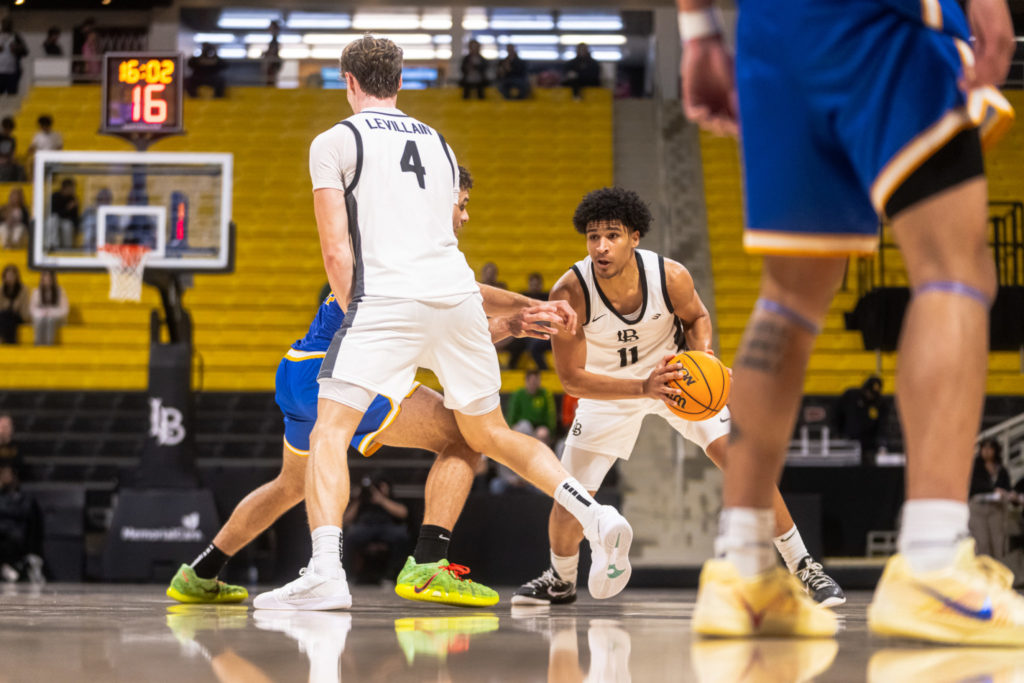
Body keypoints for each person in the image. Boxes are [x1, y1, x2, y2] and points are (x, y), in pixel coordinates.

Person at [680, 0, 1023, 643]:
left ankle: (742, 569)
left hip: (772, 33)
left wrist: (697, 27)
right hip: (883, 23)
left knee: (788, 296)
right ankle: (932, 563)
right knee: (955, 271)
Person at [254, 36, 633, 611]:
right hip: (453, 297)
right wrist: (517, 310)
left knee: (331, 428)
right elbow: (442, 243)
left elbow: (337, 251)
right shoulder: (439, 143)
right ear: (400, 82)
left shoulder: (334, 141)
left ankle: (326, 572)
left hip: (386, 298)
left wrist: (358, 311)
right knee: (490, 435)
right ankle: (596, 513)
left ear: (347, 81)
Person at [167, 166, 569, 607]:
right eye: (464, 204)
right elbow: (454, 325)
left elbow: (465, 302)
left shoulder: (392, 239)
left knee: (291, 484)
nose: (466, 216)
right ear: (439, 199)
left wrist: (528, 308)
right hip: (340, 369)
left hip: (299, 367)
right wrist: (522, 313)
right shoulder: (418, 250)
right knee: (465, 436)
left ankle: (200, 572)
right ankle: (427, 564)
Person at [511, 187, 843, 607]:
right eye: (593, 237)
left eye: (612, 235)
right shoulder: (570, 292)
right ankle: (560, 580)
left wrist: (703, 359)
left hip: (675, 377)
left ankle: (804, 567)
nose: (601, 246)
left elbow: (698, 316)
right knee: (569, 492)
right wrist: (641, 387)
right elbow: (572, 379)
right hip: (608, 388)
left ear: (635, 237)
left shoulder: (670, 277)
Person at [343, 474, 409, 581]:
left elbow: (403, 513)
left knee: (401, 536)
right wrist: (359, 498)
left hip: (386, 527)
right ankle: (348, 576)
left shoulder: (392, 498)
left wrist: (381, 499)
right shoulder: (362, 500)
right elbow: (346, 520)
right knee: (350, 536)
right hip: (365, 527)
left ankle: (393, 576)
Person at [968, 438, 1016, 560]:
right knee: (981, 541)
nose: (987, 451)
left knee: (998, 541)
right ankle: (984, 573)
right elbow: (973, 485)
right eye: (984, 448)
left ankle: (997, 572)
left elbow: (1007, 487)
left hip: (996, 508)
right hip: (979, 507)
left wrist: (1009, 494)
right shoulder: (975, 467)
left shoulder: (1001, 469)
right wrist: (992, 490)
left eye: (990, 448)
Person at [0, 461, 44, 584]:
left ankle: (21, 565)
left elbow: (23, 513)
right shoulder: (2, 496)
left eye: (5, 474)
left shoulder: (25, 498)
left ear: (14, 476)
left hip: (14, 537)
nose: (2, 476)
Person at [833, 375, 887, 465]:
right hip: (849, 442)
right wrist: (837, 432)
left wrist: (882, 444)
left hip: (868, 445)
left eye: (873, 394)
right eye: (869, 392)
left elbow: (881, 426)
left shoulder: (880, 404)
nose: (870, 396)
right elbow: (837, 414)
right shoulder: (851, 396)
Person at [506, 272, 551, 369]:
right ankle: (510, 370)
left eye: (537, 284)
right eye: (533, 284)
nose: (535, 287)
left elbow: (551, 319)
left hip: (542, 330)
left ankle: (544, 370)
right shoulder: (523, 297)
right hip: (526, 331)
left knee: (534, 347)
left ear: (541, 285)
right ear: (529, 284)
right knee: (515, 345)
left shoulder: (547, 297)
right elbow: (516, 316)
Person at [507, 369, 557, 444]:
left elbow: (551, 415)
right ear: (526, 381)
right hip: (523, 427)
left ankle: (540, 454)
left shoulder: (545, 394)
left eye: (536, 381)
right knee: (524, 426)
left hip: (540, 426)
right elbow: (512, 414)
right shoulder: (518, 394)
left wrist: (550, 430)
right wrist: (511, 427)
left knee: (542, 433)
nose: (534, 384)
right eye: (532, 382)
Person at [29, 270, 68, 346]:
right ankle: (38, 344)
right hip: (40, 316)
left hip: (56, 317)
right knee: (39, 320)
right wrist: (41, 313)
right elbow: (32, 309)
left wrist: (51, 312)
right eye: (45, 279)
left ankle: (49, 345)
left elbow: (64, 310)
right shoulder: (36, 292)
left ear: (53, 280)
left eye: (49, 279)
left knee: (49, 320)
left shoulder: (60, 291)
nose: (47, 281)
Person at [0, 264, 29, 343]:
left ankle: (9, 343)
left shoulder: (23, 289)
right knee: (5, 316)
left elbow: (24, 308)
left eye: (12, 276)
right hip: (4, 317)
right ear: (4, 277)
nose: (10, 278)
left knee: (9, 317)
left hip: (18, 316)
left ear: (16, 277)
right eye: (8, 276)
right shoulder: (1, 289)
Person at [47, 178, 78, 249]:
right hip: (56, 220)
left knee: (68, 226)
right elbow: (53, 213)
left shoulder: (73, 199)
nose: (73, 190)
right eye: (72, 188)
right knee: (53, 220)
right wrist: (67, 208)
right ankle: (53, 245)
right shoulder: (55, 196)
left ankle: (67, 248)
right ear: (66, 188)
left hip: (66, 221)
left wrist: (76, 227)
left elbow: (74, 217)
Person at [0, 19, 27, 96]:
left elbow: (25, 51)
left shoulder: (15, 36)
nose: (6, 26)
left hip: (12, 72)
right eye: (5, 24)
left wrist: (17, 48)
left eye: (8, 24)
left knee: (12, 95)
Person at [263, 21, 283, 87]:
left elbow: (273, 51)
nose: (269, 29)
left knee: (271, 78)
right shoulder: (274, 40)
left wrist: (267, 54)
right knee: (270, 79)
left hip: (272, 63)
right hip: (272, 63)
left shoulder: (275, 41)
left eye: (271, 27)